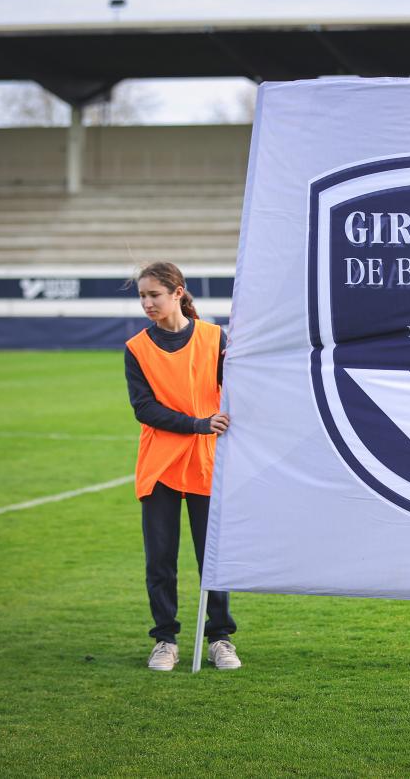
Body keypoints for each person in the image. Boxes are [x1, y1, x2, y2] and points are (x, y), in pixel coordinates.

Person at [125, 261, 240, 671]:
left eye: (153, 294)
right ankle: (164, 640)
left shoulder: (214, 338)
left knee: (214, 556)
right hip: (160, 466)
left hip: (208, 463)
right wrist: (198, 423)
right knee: (160, 558)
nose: (147, 303)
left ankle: (220, 638)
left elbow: (239, 389)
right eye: (142, 296)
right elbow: (145, 409)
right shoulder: (137, 348)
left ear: (178, 292)